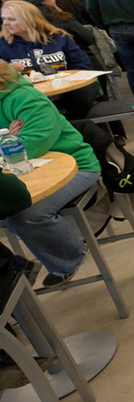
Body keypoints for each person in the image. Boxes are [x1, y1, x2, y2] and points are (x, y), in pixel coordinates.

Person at [0, 60, 101, 287]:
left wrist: (10, 142)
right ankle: (24, 268)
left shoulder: (26, 98)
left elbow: (33, 144)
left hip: (76, 166)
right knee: (9, 213)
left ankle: (71, 255)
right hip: (25, 173)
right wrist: (9, 139)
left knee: (26, 215)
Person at [0, 0, 97, 120]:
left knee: (81, 97)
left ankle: (87, 132)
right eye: (3, 19)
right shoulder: (3, 44)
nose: (6, 23)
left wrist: (62, 88)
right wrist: (9, 69)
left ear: (30, 19)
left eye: (12, 19)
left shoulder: (59, 38)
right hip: (29, 93)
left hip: (70, 88)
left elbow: (82, 64)